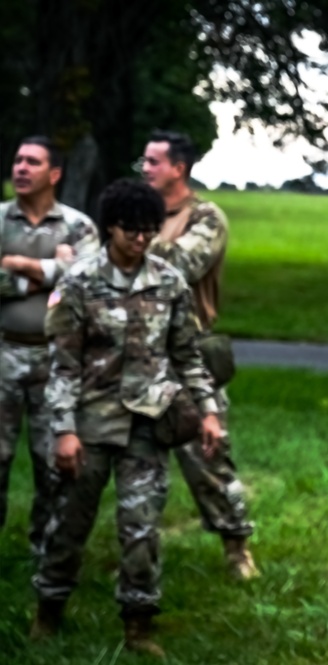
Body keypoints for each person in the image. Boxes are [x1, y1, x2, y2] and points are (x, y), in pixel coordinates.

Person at [31, 178, 222, 657]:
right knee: (69, 526)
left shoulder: (169, 281)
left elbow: (188, 355)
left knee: (141, 528)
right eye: (131, 231)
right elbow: (63, 365)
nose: (141, 240)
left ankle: (139, 624)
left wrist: (209, 412)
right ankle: (48, 610)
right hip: (90, 425)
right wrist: (64, 431)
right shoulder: (79, 282)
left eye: (149, 231)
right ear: (110, 228)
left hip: (147, 423)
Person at [140, 130, 258, 579]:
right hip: (141, 352)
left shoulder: (206, 217)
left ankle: (237, 545)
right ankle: (140, 552)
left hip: (189, 352)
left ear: (179, 168)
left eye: (154, 161)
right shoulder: (145, 214)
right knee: (140, 461)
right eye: (145, 162)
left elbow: (181, 266)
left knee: (209, 458)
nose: (146, 168)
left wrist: (126, 243)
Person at [0, 136, 98, 555]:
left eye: (32, 162)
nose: (20, 168)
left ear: (54, 174)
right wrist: (56, 270)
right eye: (18, 160)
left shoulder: (77, 226)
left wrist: (22, 265)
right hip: (3, 353)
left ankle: (47, 553)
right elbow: (71, 277)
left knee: (52, 461)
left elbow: (90, 285)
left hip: (57, 359)